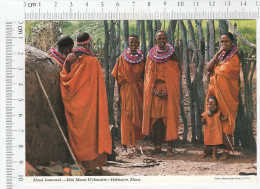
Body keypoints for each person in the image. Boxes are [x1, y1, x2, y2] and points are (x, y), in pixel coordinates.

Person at [60, 32, 112, 175]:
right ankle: (91, 166)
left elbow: (65, 77)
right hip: (91, 104)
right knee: (91, 133)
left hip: (75, 103)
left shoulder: (71, 57)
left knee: (79, 135)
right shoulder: (93, 61)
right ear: (89, 43)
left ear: (77, 42)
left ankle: (80, 164)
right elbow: (98, 87)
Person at [142, 30, 180, 157]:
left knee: (169, 119)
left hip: (169, 90)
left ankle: (170, 147)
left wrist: (169, 91)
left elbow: (175, 74)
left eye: (164, 39)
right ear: (155, 41)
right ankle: (157, 146)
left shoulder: (172, 54)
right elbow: (147, 74)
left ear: (167, 39)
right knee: (156, 120)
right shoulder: (150, 55)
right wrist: (153, 90)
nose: (162, 41)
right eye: (160, 39)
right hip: (155, 91)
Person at [206, 32, 240, 160]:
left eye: (226, 42)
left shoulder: (234, 58)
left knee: (226, 119)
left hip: (228, 95)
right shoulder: (221, 57)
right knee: (214, 119)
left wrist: (215, 69)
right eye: (222, 42)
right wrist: (218, 53)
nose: (224, 44)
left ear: (232, 43)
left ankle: (227, 151)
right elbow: (208, 67)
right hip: (215, 94)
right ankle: (213, 149)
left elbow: (225, 71)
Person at [111, 34, 145, 154]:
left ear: (139, 43)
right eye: (131, 43)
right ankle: (126, 143)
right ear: (128, 44)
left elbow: (145, 76)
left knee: (138, 116)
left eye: (135, 42)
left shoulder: (142, 58)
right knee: (126, 116)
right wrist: (119, 96)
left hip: (138, 90)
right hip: (125, 90)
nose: (133, 45)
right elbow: (117, 78)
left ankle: (135, 142)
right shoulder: (122, 58)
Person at [201, 96, 228, 161]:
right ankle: (204, 153)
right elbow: (203, 122)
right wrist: (203, 121)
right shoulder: (205, 114)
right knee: (206, 144)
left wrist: (225, 118)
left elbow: (222, 118)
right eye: (210, 104)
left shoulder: (218, 113)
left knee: (214, 145)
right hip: (208, 132)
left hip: (215, 132)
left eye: (214, 105)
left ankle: (214, 155)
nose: (212, 106)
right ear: (207, 104)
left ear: (216, 105)